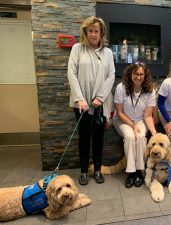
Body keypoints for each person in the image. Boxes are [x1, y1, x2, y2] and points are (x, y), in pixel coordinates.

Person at [68, 16, 115, 185]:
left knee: (98, 137)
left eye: (96, 31)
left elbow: (110, 76)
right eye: (90, 31)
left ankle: (97, 169)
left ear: (101, 33)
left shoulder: (108, 53)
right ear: (85, 32)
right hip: (82, 104)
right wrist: (80, 99)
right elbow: (71, 74)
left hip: (99, 104)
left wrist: (100, 98)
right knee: (84, 137)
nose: (93, 34)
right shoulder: (77, 49)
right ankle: (83, 171)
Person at [113, 61, 157, 188]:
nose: (138, 77)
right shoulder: (121, 87)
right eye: (136, 74)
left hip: (141, 120)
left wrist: (154, 133)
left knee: (141, 136)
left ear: (145, 75)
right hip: (122, 120)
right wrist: (132, 126)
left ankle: (139, 172)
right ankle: (130, 172)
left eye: (141, 74)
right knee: (130, 137)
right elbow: (119, 112)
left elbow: (148, 115)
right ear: (130, 73)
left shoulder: (150, 90)